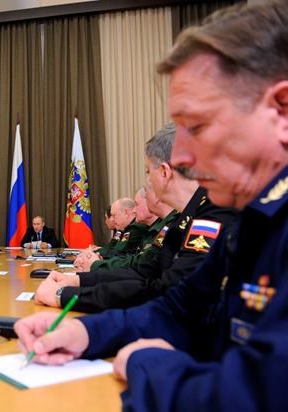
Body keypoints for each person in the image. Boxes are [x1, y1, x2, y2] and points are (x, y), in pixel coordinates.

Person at [16, 2, 287, 409]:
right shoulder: (255, 218)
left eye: (197, 126)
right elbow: (181, 308)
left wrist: (147, 365)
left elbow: (256, 396)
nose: (182, 158)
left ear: (280, 109)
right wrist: (86, 334)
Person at [34, 124, 237, 312]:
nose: (148, 180)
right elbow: (143, 271)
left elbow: (164, 292)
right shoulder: (186, 217)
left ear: (165, 172)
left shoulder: (212, 214)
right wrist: (77, 281)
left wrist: (66, 296)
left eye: (148, 171)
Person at [74, 187, 175, 272]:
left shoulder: (138, 228)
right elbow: (128, 256)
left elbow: (139, 262)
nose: (134, 210)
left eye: (137, 204)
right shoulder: (150, 228)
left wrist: (99, 261)